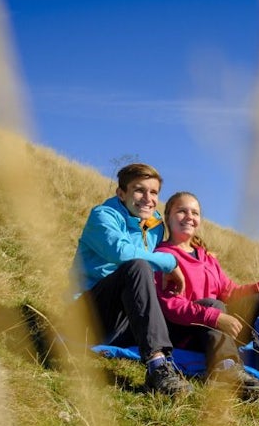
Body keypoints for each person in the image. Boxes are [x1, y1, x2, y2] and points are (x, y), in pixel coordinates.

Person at [71, 163, 191, 396]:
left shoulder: (155, 225)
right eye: (139, 190)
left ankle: (228, 367)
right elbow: (122, 254)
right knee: (136, 266)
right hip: (87, 315)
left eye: (154, 192)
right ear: (121, 193)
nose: (147, 198)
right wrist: (170, 263)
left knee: (201, 309)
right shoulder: (102, 216)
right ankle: (157, 366)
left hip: (125, 319)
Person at [154, 191, 259, 394]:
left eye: (195, 213)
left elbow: (230, 291)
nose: (189, 217)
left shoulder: (206, 258)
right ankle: (226, 372)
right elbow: (169, 306)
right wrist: (214, 316)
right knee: (211, 303)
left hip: (217, 329)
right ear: (168, 216)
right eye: (182, 211)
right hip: (185, 332)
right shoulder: (163, 256)